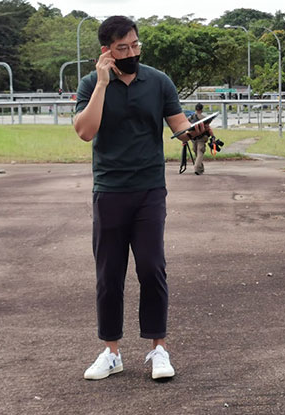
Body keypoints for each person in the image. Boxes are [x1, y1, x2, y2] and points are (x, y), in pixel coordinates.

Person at [74, 15, 209, 381]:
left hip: (150, 188)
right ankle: (111, 352)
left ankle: (158, 349)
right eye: (123, 48)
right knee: (109, 273)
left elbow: (178, 125)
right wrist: (103, 83)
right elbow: (85, 132)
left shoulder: (158, 81)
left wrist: (195, 131)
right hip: (109, 189)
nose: (132, 52)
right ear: (106, 51)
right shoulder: (90, 83)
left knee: (152, 267)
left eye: (136, 45)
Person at [188, 103, 209, 175]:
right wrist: (212, 136)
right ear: (202, 109)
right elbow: (208, 128)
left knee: (196, 152)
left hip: (193, 138)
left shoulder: (191, 117)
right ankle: (197, 168)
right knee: (200, 152)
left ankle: (200, 168)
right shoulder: (204, 118)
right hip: (202, 137)